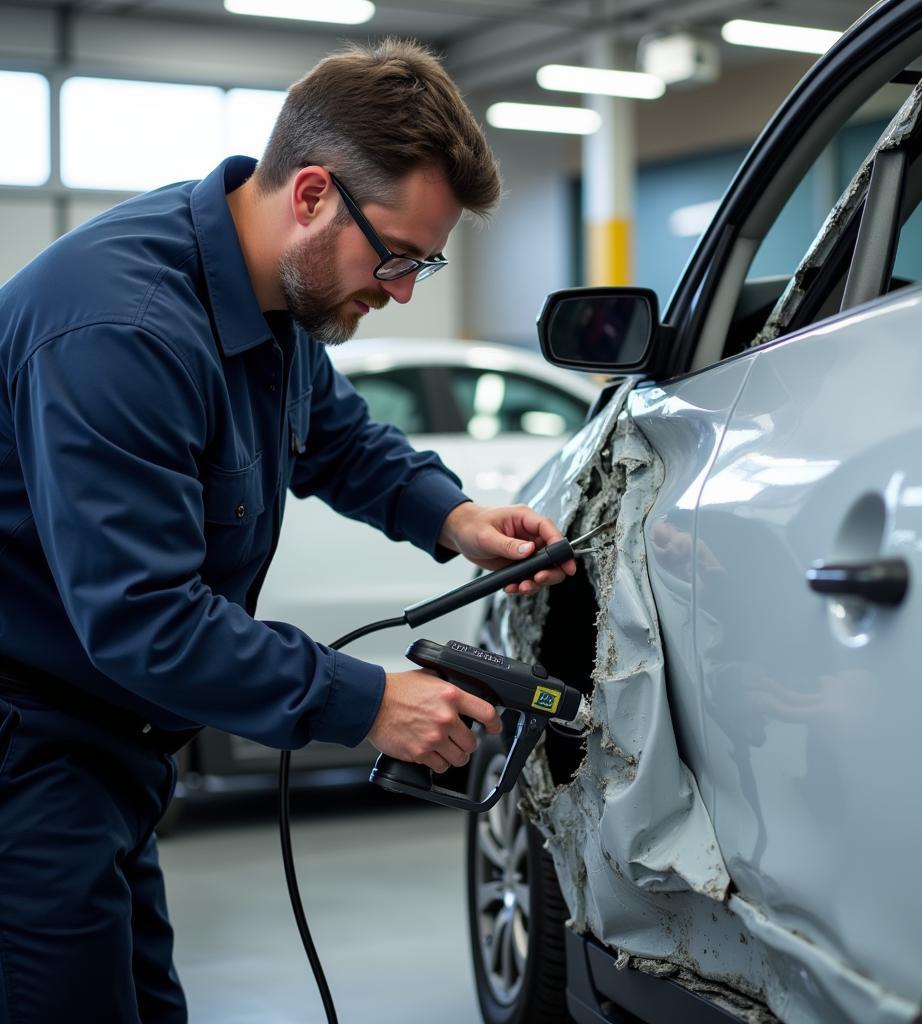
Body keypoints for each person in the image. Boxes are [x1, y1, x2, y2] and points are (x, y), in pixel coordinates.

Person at [0, 39, 574, 1024]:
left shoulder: (272, 309)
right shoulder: (124, 332)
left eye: (423, 264)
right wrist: (368, 702)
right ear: (312, 193)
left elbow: (340, 443)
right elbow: (147, 622)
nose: (400, 289)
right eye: (394, 255)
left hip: (112, 754)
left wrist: (456, 517)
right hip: (26, 750)